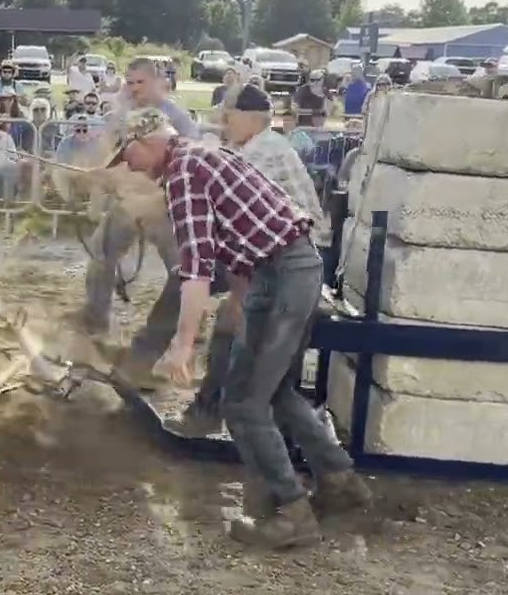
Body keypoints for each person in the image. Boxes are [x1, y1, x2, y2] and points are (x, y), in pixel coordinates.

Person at [115, 97, 371, 548]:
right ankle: (339, 481)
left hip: (281, 276)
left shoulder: (184, 174)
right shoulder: (204, 156)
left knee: (244, 406)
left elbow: (195, 267)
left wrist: (182, 342)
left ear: (148, 141)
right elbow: (238, 232)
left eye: (129, 154)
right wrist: (239, 295)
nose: (130, 167)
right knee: (272, 393)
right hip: (281, 271)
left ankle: (292, 514)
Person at [169, 84, 327, 441]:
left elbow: (246, 225)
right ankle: (212, 406)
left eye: (229, 118)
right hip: (279, 256)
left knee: (229, 316)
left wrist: (237, 293)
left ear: (252, 120)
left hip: (292, 261)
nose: (223, 125)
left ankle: (209, 409)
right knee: (216, 304)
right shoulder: (255, 146)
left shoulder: (263, 152)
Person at [78, 57, 200, 380]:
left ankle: (166, 342)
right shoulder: (120, 115)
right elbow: (109, 156)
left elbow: (190, 164)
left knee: (183, 272)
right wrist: (99, 180)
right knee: (101, 254)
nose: (133, 89)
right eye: (129, 83)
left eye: (140, 83)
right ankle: (96, 321)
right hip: (126, 203)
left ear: (159, 82)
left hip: (164, 209)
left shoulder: (178, 119)